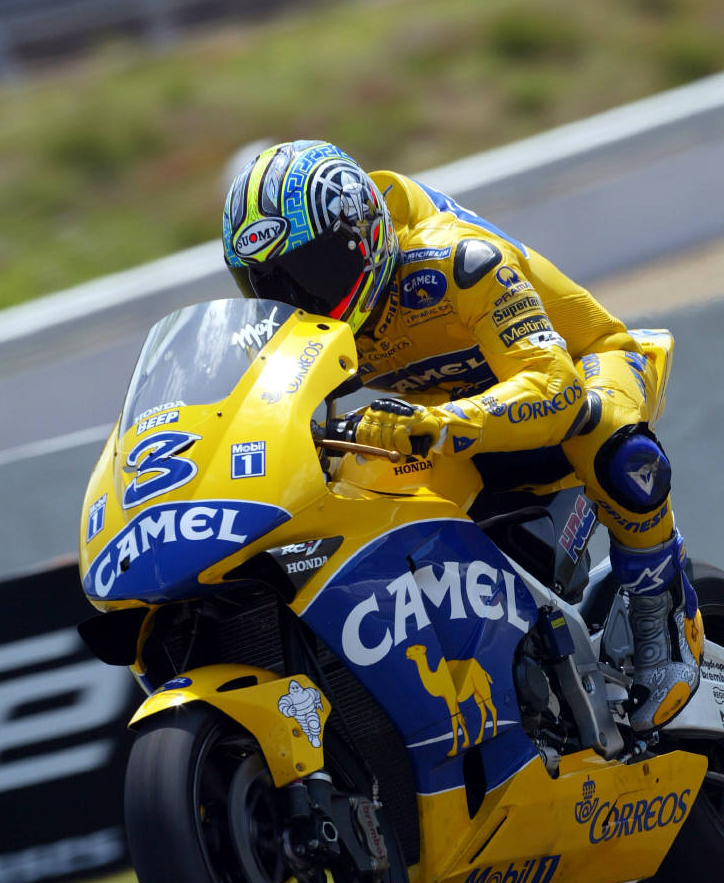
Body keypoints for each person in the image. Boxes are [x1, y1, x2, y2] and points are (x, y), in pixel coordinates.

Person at [221, 139, 703, 732]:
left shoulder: (455, 261)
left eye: (316, 270)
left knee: (612, 440)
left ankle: (660, 615)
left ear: (365, 233)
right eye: (272, 286)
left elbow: (558, 390)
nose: (302, 299)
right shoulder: (308, 329)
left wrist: (439, 424)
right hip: (460, 420)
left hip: (581, 367)